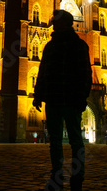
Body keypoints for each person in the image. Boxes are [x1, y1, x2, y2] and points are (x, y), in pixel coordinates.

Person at [33, 10, 92, 191]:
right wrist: (38, 94)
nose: (53, 24)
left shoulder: (79, 45)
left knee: (75, 140)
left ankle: (78, 176)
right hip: (54, 100)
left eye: (56, 21)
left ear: (66, 23)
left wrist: (82, 97)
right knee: (56, 141)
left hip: (70, 100)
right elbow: (43, 72)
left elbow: (85, 73)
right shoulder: (49, 46)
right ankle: (57, 174)